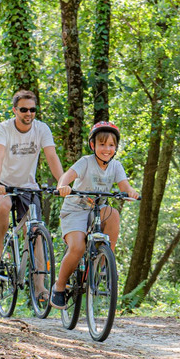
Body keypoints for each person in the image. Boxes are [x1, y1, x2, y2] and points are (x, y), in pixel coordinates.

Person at [51, 121, 139, 308]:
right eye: (102, 144)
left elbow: (125, 187)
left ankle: (106, 263)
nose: (106, 149)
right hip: (75, 210)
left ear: (115, 148)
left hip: (97, 211)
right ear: (93, 145)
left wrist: (130, 193)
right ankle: (59, 287)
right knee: (77, 248)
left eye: (111, 145)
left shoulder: (116, 166)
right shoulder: (86, 162)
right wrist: (62, 186)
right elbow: (67, 176)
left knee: (113, 213)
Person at [0, 91, 65, 302]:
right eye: (23, 109)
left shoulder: (41, 129)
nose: (28, 113)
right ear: (15, 110)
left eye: (32, 109)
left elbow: (52, 156)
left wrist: (63, 183)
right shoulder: (3, 129)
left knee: (37, 232)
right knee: (2, 205)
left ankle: (40, 288)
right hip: (3, 185)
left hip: (28, 187)